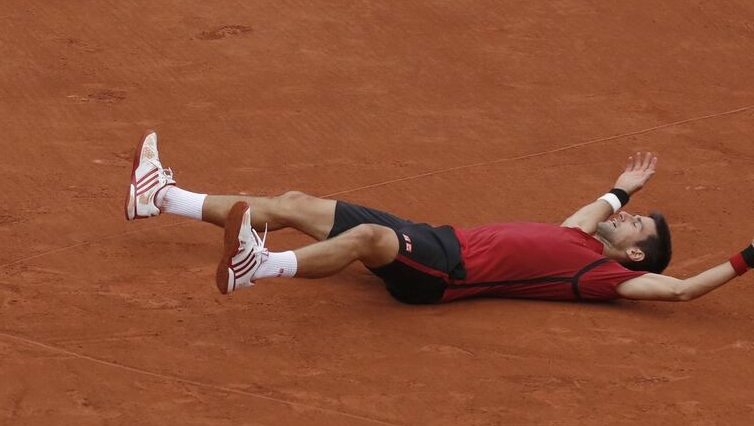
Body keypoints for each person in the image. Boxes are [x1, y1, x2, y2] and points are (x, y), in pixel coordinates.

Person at [125, 131, 754, 304]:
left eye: (636, 227)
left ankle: (256, 270)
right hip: (431, 235)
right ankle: (162, 197)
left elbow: (683, 290)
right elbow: (598, 207)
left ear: (636, 255)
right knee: (292, 203)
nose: (625, 220)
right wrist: (623, 191)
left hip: (442, 273)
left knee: (369, 238)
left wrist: (749, 256)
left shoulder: (602, 278)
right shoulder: (578, 234)